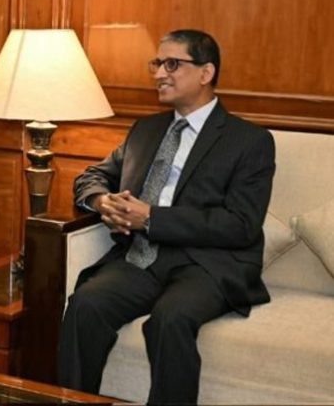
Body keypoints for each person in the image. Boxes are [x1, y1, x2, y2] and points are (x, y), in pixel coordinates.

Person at [58, 29, 275, 404]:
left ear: (206, 73)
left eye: (172, 64)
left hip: (205, 264)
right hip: (141, 258)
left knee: (169, 320)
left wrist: (152, 219)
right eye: (157, 63)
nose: (159, 74)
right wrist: (102, 200)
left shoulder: (249, 141)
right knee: (85, 305)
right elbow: (92, 177)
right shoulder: (147, 129)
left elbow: (241, 224)